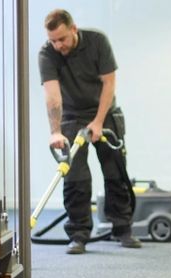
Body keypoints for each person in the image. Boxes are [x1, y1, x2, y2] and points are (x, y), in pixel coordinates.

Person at [38, 9, 141, 254]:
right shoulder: (47, 53)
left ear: (73, 29)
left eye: (61, 38)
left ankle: (122, 229)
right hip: (71, 117)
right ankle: (78, 234)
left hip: (105, 112)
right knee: (75, 179)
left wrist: (98, 121)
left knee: (116, 173)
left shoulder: (97, 42)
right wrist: (55, 131)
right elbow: (53, 97)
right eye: (53, 40)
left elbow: (109, 83)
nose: (57, 45)